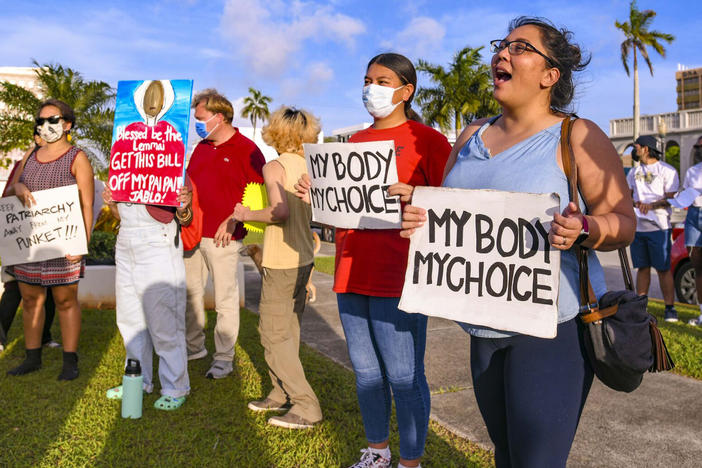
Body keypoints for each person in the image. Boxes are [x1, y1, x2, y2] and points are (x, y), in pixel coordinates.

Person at [399, 17, 635, 467]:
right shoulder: (469, 136)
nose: (502, 54)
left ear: (551, 75)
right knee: (506, 455)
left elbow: (624, 222)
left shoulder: (577, 136)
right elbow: (451, 215)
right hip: (480, 329)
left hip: (550, 331)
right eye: (501, 46)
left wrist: (584, 228)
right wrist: (420, 221)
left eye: (520, 47)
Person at [297, 53, 451, 468]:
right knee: (366, 375)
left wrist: (415, 195)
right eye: (367, 79)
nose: (372, 88)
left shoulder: (429, 141)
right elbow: (339, 208)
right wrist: (316, 192)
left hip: (399, 276)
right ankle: (377, 451)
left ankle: (411, 461)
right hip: (350, 273)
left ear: (406, 90)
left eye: (383, 81)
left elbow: (456, 207)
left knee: (404, 376)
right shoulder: (352, 144)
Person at [217, 106, 323, 429]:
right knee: (289, 329)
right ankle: (280, 393)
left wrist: (245, 214)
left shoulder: (274, 167)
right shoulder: (310, 167)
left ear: (276, 133)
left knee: (272, 334)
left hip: (281, 262)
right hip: (304, 258)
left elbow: (279, 212)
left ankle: (305, 405)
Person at [6, 98, 94, 380]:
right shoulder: (30, 156)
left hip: (64, 244)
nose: (45, 126)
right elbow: (11, 193)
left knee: (66, 300)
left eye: (52, 120)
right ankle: (33, 357)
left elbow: (87, 205)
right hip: (30, 243)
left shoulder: (77, 158)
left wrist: (82, 244)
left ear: (67, 124)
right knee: (30, 299)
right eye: (41, 121)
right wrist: (19, 185)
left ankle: (70, 361)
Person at [185, 89, 265, 379]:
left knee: (225, 300)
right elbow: (192, 186)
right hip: (192, 235)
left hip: (225, 239)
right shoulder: (201, 148)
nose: (197, 124)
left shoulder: (248, 149)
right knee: (191, 294)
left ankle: (223, 358)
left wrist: (233, 220)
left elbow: (261, 196)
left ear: (219, 118)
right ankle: (193, 348)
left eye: (201, 119)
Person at [102, 183, 193, 410]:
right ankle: (137, 381)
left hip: (158, 241)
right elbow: (119, 214)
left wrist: (183, 206)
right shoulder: (123, 157)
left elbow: (186, 217)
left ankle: (175, 387)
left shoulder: (171, 154)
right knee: (129, 318)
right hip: (125, 241)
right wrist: (113, 203)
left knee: (164, 320)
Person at [0, 128, 59, 353]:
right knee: (14, 288)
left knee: (52, 289)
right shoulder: (22, 165)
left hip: (52, 238)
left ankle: (45, 336)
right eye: (43, 134)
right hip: (22, 239)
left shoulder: (62, 164)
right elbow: (6, 198)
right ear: (36, 138)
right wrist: (19, 188)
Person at [626, 134, 680, 321]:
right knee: (642, 268)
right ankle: (641, 307)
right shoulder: (633, 172)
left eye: (637, 146)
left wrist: (651, 205)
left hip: (659, 226)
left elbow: (672, 197)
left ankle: (670, 308)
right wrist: (634, 203)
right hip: (639, 228)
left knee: (663, 269)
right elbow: (628, 195)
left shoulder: (667, 171)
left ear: (646, 149)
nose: (635, 150)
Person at [682, 135, 702, 326]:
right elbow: (687, 193)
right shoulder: (692, 171)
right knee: (697, 266)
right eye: (698, 147)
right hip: (693, 217)